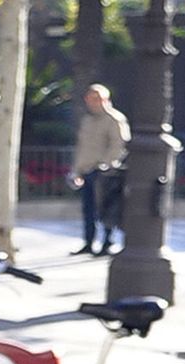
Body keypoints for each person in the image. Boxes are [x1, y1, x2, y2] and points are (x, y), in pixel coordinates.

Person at [72, 83, 130, 255]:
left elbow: (119, 145)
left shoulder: (114, 119)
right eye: (90, 99)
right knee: (88, 209)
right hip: (87, 170)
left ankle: (107, 242)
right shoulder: (87, 120)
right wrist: (77, 169)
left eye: (97, 99)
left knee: (106, 209)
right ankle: (88, 242)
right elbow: (82, 147)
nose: (93, 102)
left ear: (106, 99)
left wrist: (105, 164)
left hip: (105, 172)